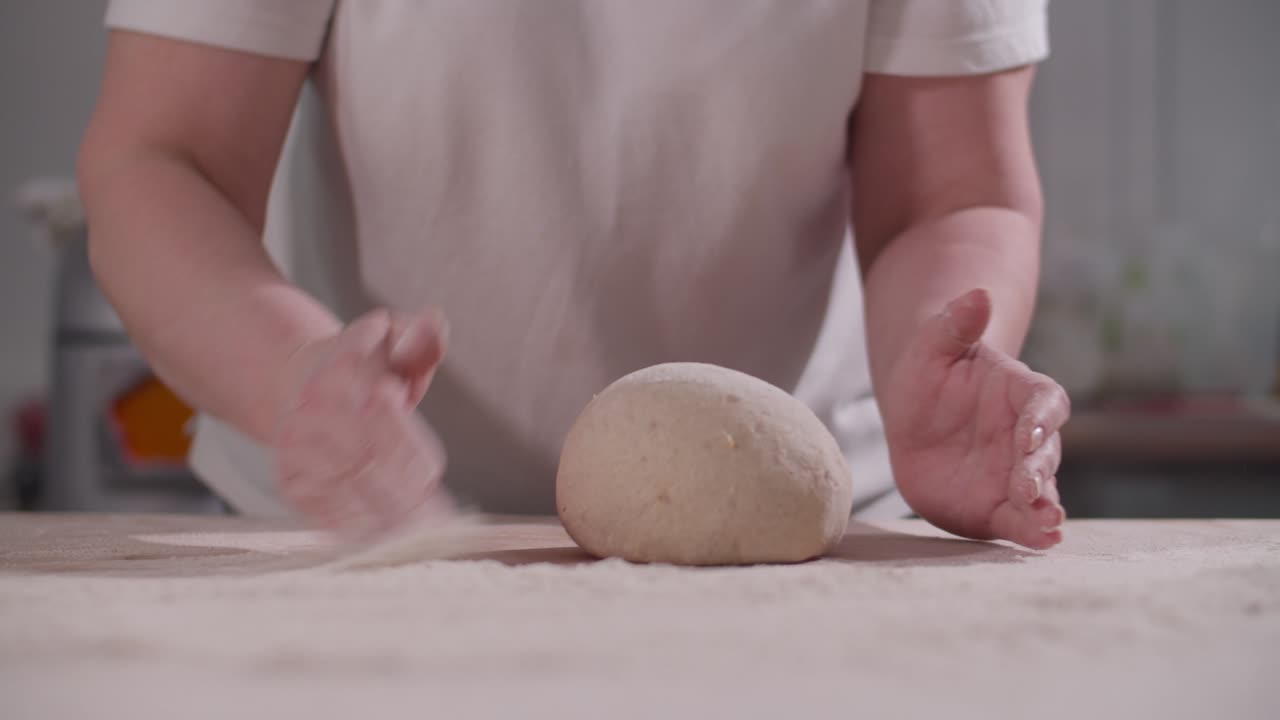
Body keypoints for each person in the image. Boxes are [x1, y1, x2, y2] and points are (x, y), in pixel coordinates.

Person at [78, 0, 1070, 550]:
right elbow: (162, 164)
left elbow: (949, 194)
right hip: (367, 535)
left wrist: (943, 356)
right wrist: (287, 375)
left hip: (806, 550)